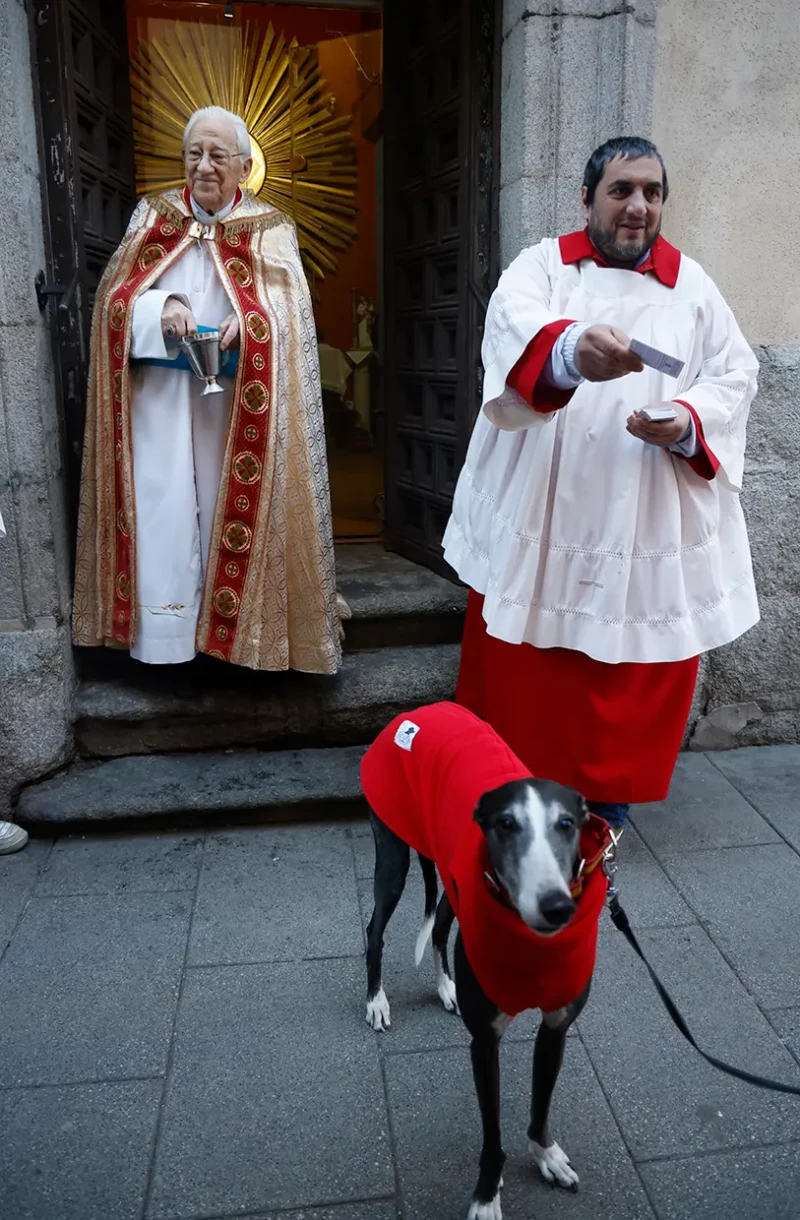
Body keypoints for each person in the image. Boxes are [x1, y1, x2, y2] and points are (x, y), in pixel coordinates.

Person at [443, 136, 759, 831]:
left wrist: (685, 418)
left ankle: (602, 815)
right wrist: (568, 351)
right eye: (621, 191)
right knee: (532, 671)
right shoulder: (542, 269)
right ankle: (518, 801)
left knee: (627, 666)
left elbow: (735, 374)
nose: (638, 206)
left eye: (651, 192)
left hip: (642, 510)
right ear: (587, 199)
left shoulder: (693, 286)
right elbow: (511, 335)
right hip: (545, 509)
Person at [73, 106, 341, 673]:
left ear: (244, 166)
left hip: (239, 402)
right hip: (161, 402)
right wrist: (159, 307)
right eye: (194, 153)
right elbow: (113, 302)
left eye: (218, 155)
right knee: (164, 507)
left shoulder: (271, 228)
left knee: (227, 506)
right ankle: (167, 640)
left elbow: (290, 316)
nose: (204, 166)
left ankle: (234, 642)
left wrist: (253, 319)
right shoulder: (154, 215)